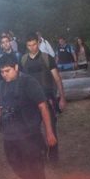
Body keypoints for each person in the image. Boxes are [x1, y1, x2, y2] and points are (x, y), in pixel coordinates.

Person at [0, 54, 57, 179]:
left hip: (30, 134)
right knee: (15, 164)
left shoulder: (29, 82)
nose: (4, 74)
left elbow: (43, 106)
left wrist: (49, 132)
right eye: (2, 72)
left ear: (16, 67)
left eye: (7, 71)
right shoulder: (2, 85)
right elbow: (2, 103)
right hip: (10, 134)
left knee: (35, 165)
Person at [19, 33, 66, 163]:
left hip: (47, 99)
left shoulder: (47, 58)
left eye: (34, 44)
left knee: (51, 128)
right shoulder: (23, 60)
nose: (32, 47)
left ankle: (54, 158)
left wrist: (62, 97)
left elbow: (57, 79)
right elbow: (20, 80)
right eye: (29, 45)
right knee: (33, 129)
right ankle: (42, 152)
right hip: (30, 101)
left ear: (38, 43)